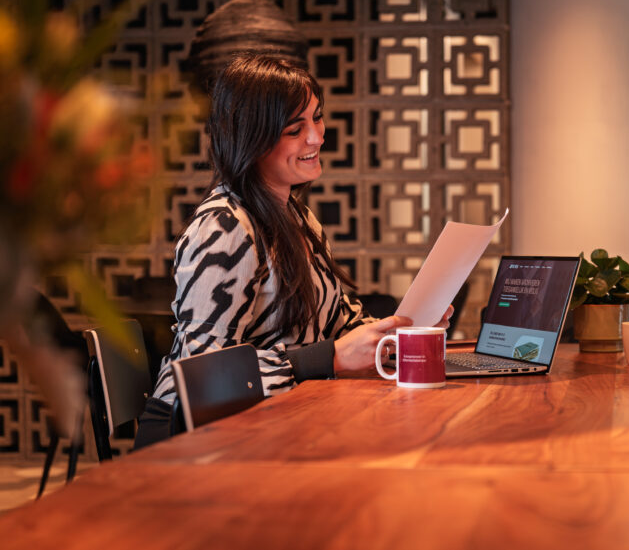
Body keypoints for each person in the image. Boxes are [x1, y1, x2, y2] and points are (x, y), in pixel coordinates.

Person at [135, 53, 451, 448]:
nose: (316, 137)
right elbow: (202, 373)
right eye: (294, 129)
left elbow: (340, 325)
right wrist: (329, 358)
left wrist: (402, 333)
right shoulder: (223, 227)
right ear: (251, 139)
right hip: (188, 439)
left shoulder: (299, 219)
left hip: (271, 424)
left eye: (317, 118)